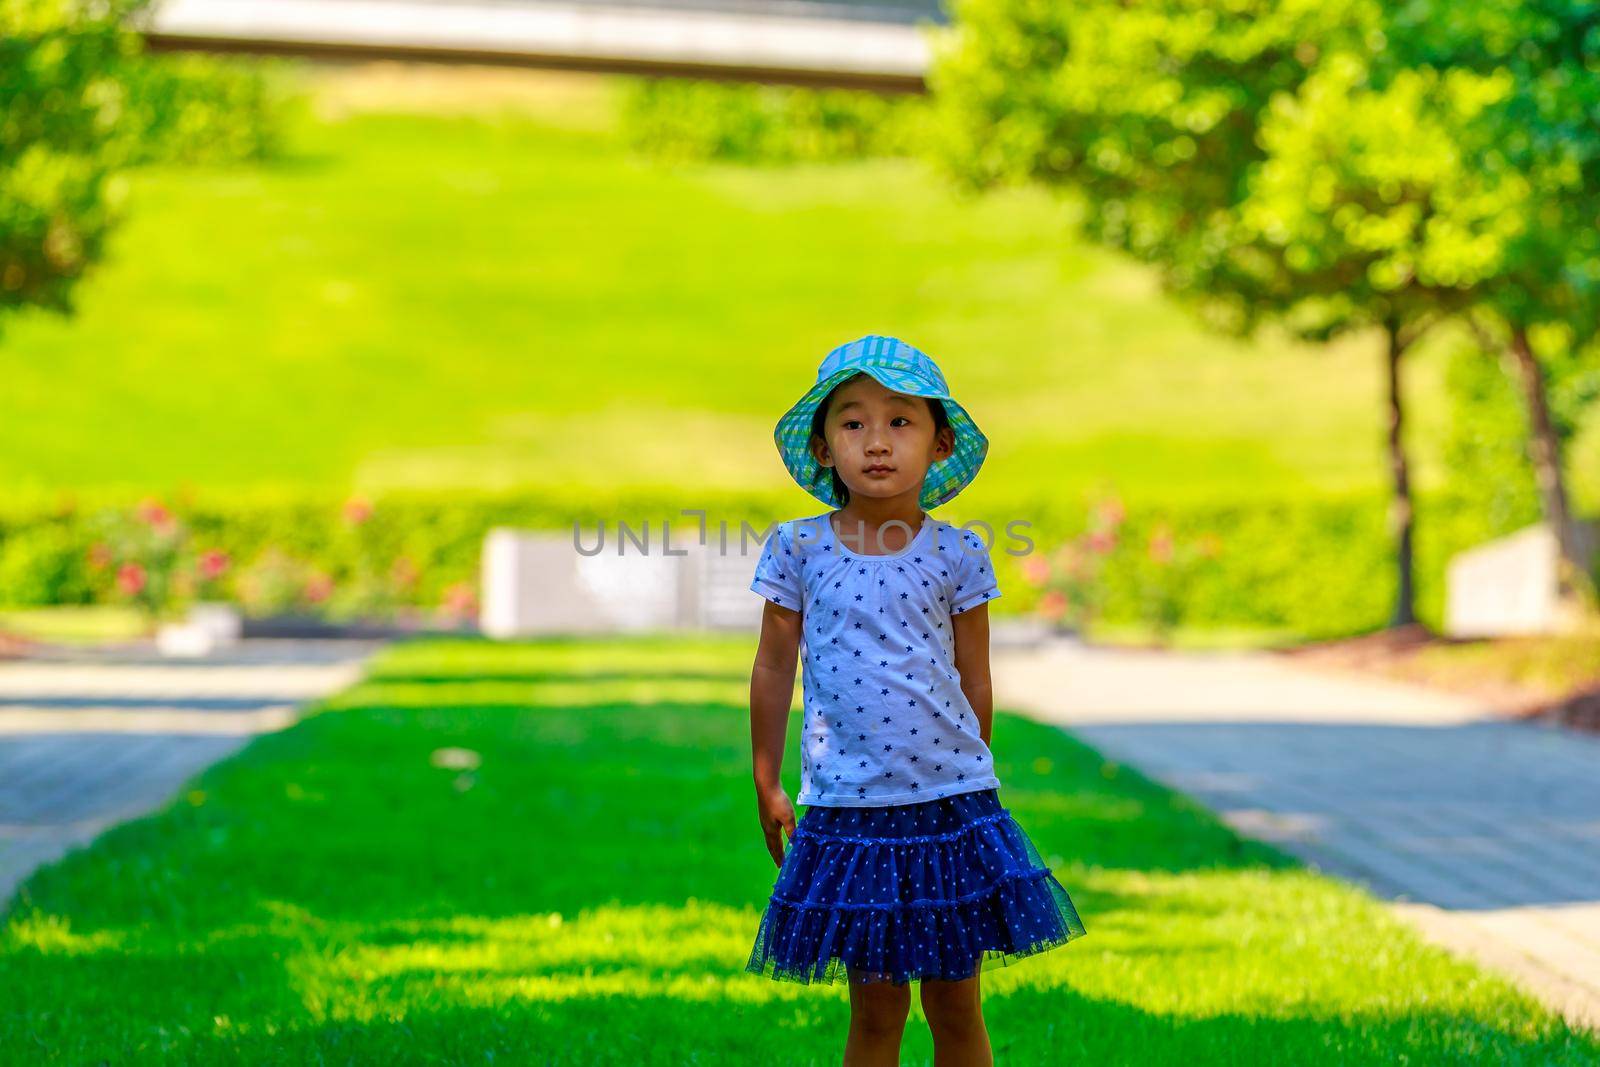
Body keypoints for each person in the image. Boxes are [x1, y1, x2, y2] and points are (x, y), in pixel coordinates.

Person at [745, 334, 1087, 1066]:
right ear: (823, 444)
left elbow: (977, 675)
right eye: (852, 421)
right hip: (849, 810)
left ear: (940, 443)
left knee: (955, 1004)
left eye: (901, 421)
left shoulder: (958, 552)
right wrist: (767, 777)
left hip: (949, 809)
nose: (876, 441)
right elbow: (774, 667)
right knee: (875, 1010)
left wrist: (979, 774)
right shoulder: (798, 550)